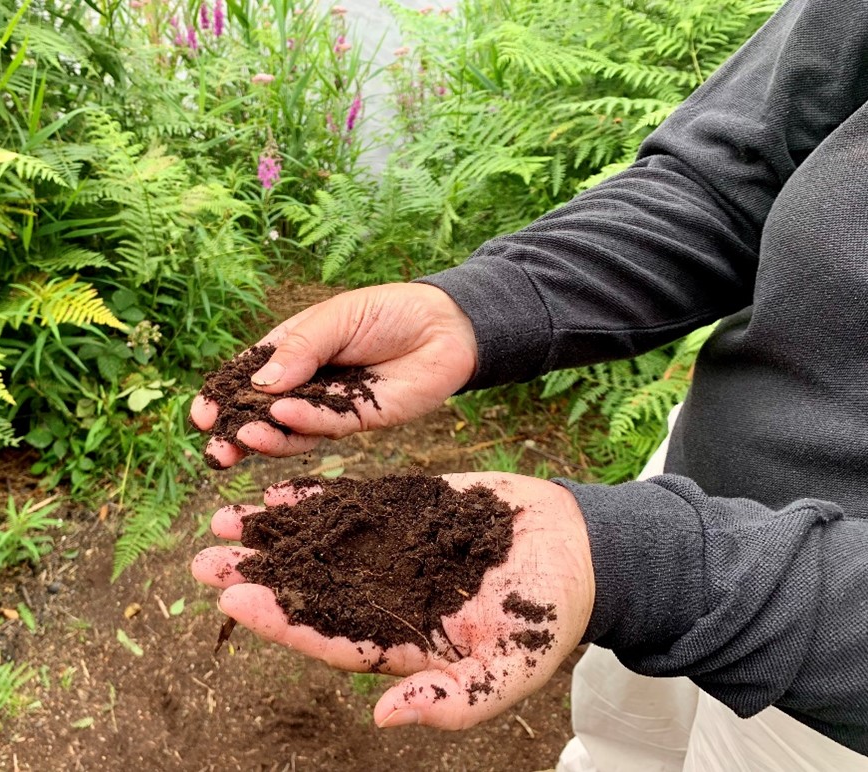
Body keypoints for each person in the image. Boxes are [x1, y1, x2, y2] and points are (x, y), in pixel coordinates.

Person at [190, 0, 868, 766]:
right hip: (673, 513)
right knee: (618, 746)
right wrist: (479, 308)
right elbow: (731, 178)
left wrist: (651, 570)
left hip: (826, 703)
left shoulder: (643, 564)